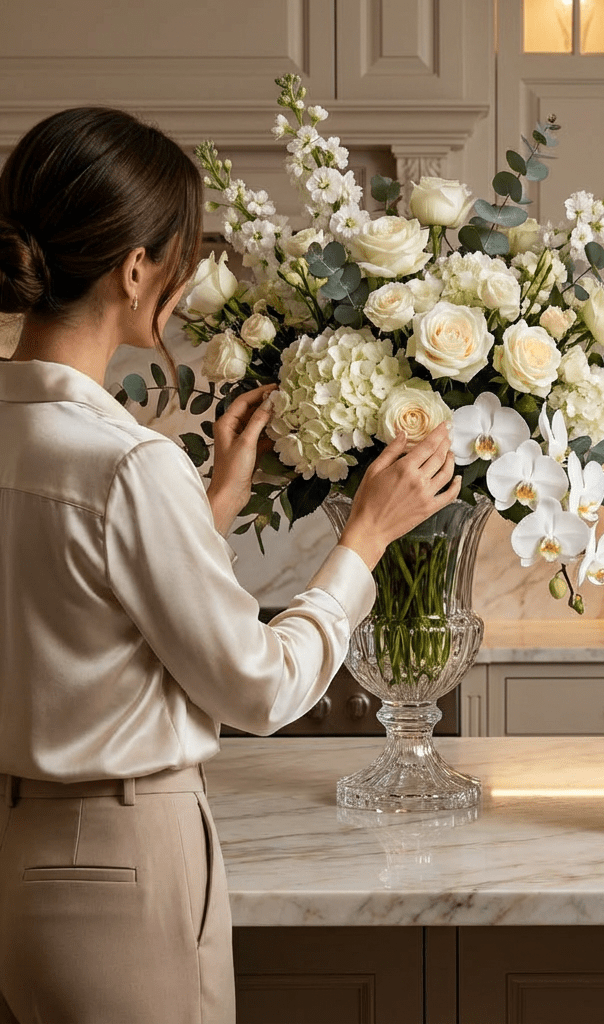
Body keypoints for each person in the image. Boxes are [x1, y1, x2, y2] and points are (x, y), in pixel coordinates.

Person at [0, 106, 459, 1024]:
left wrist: (206, 502)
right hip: (119, 856)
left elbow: (70, 602)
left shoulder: (65, 447)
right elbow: (256, 688)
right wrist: (364, 536)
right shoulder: (123, 463)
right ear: (137, 269)